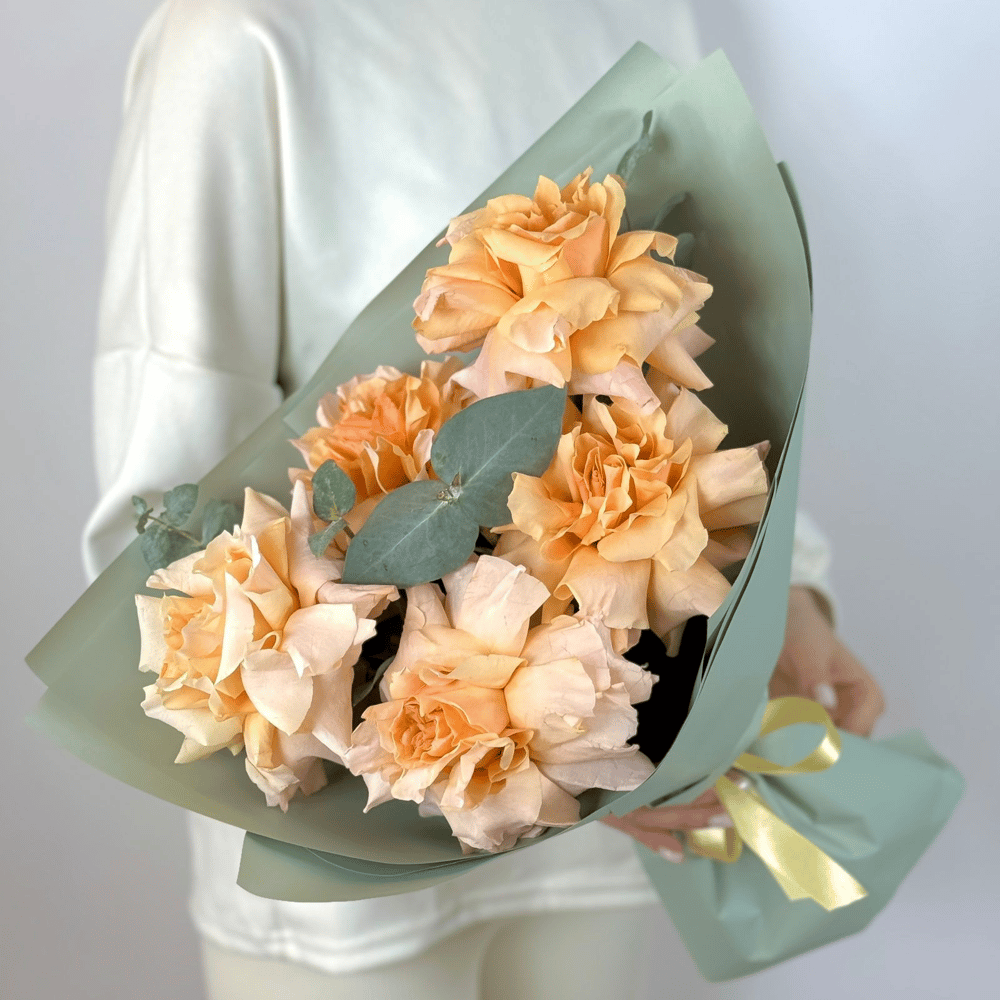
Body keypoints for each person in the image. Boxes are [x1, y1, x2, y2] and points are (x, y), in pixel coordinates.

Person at [81, 2, 884, 997]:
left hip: (612, 799)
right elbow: (163, 509)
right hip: (349, 840)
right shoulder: (236, 33)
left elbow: (708, 334)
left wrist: (780, 590)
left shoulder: (639, 10)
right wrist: (510, 745)